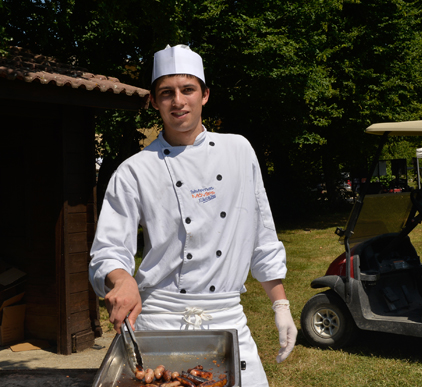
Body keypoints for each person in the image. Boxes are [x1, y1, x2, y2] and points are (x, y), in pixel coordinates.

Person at [89, 44, 297, 386]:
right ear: (155, 102)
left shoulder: (239, 151)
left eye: (188, 90)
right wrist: (122, 279)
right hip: (159, 320)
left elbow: (261, 234)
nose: (178, 101)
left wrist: (281, 306)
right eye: (166, 93)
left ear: (205, 95)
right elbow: (108, 249)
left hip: (228, 317)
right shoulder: (134, 171)